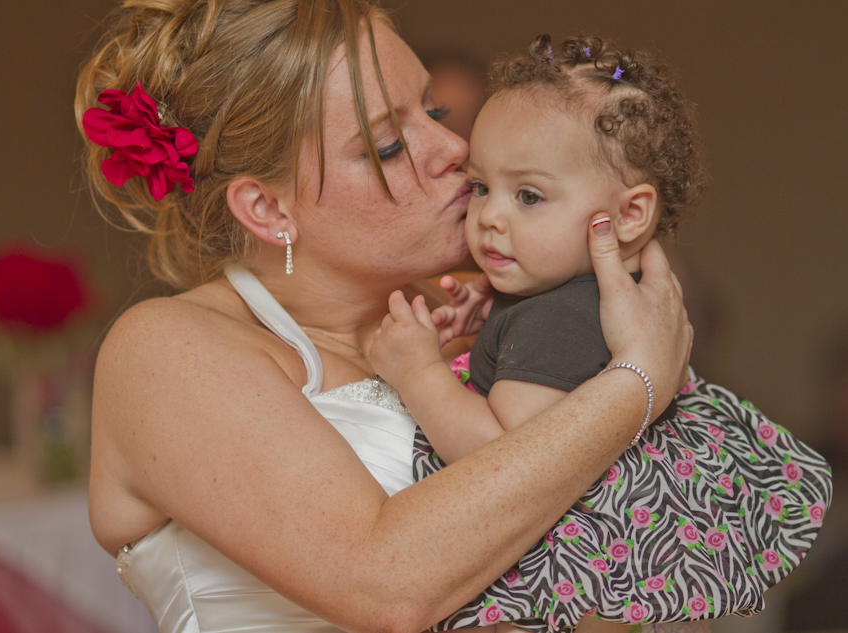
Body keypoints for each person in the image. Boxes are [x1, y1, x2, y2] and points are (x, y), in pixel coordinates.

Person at [76, 3, 694, 632]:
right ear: (267, 208)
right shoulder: (166, 351)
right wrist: (639, 376)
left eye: (435, 112)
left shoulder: (479, 328)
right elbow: (385, 584)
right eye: (391, 145)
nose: (455, 148)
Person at [368, 35, 832, 632]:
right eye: (481, 187)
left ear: (630, 216)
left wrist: (419, 371)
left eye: (529, 195)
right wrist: (492, 326)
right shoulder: (561, 303)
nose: (490, 216)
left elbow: (496, 458)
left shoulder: (559, 319)